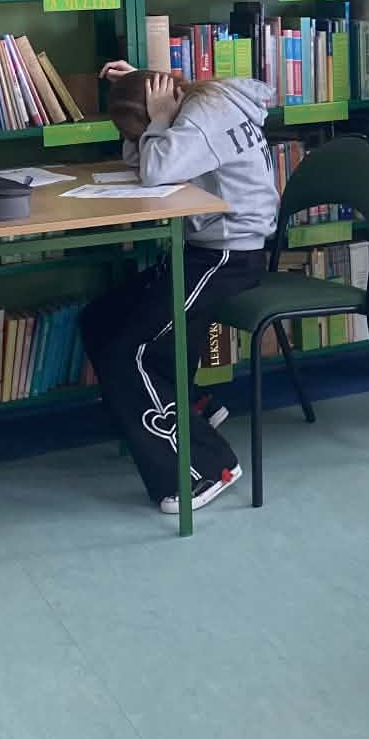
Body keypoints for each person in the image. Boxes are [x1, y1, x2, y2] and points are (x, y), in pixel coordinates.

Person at [78, 64, 278, 514]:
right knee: (101, 319)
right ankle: (194, 407)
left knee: (130, 350)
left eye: (140, 132)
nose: (140, 141)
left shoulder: (203, 114)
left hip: (227, 258)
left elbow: (155, 171)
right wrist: (145, 101)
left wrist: (159, 119)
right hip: (204, 252)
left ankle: (207, 467)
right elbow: (145, 164)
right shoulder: (197, 105)